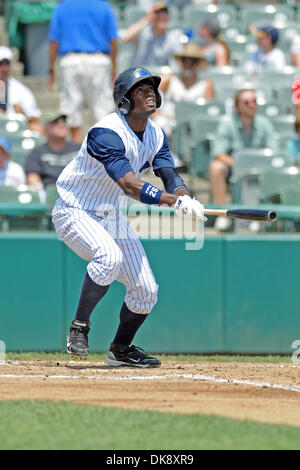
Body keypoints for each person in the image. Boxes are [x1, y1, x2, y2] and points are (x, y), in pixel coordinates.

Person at [52, 66, 206, 367]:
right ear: (125, 99)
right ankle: (79, 326)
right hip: (75, 210)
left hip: (111, 215)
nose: (149, 92)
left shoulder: (156, 134)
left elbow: (169, 174)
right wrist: (170, 201)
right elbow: (129, 184)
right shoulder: (105, 132)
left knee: (146, 291)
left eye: (151, 87)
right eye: (140, 89)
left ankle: (120, 350)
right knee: (108, 258)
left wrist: (185, 197)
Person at [48, 0, 118, 144]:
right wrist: (114, 67)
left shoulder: (62, 6)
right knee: (101, 111)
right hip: (98, 61)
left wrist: (51, 70)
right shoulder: (103, 6)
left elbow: (54, 42)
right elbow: (113, 40)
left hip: (71, 61)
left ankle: (76, 152)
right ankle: (98, 152)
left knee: (72, 112)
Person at [209, 88, 278, 231]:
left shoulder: (264, 123)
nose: (252, 105)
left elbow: (274, 151)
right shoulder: (227, 123)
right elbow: (218, 153)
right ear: (237, 107)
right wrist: (239, 165)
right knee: (216, 167)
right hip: (233, 167)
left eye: (254, 101)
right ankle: (222, 214)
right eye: (247, 102)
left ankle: (261, 215)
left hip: (260, 170)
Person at [153, 42, 214, 138]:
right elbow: (151, 97)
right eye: (185, 60)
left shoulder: (205, 84)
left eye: (193, 61)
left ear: (198, 63)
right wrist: (157, 113)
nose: (188, 64)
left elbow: (208, 111)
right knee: (160, 124)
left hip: (192, 126)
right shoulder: (169, 79)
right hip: (168, 122)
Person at [25, 113, 80, 191]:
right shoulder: (37, 152)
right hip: (49, 195)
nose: (61, 124)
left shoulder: (79, 150)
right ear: (46, 128)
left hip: (77, 194)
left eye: (64, 121)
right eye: (55, 121)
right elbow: (32, 177)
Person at [121, 2, 183, 69]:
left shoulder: (172, 37)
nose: (162, 17)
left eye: (165, 13)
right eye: (158, 13)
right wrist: (147, 18)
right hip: (139, 75)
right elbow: (126, 37)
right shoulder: (143, 33)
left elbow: (177, 65)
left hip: (160, 77)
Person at [0, 46, 43, 133]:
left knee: (37, 128)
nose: (4, 69)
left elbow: (34, 119)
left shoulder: (21, 90)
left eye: (7, 64)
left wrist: (22, 115)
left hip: (15, 134)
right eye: (0, 64)